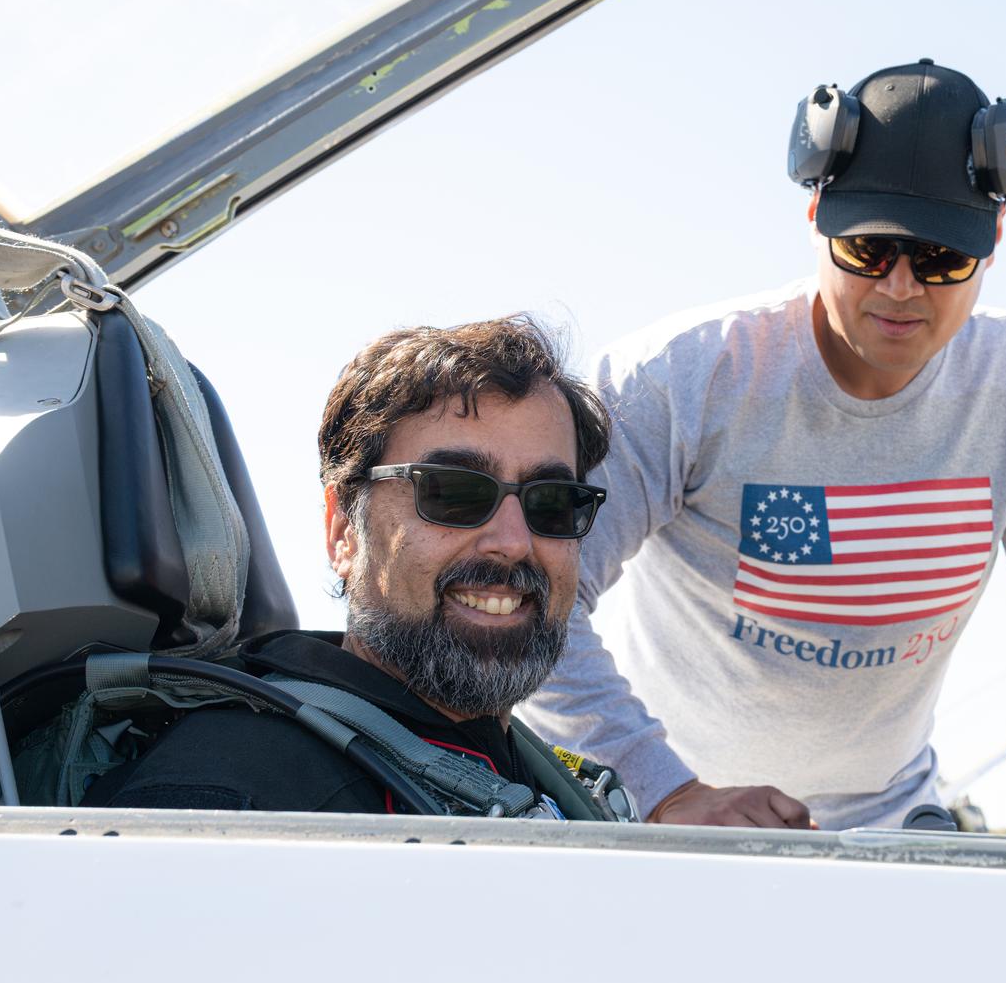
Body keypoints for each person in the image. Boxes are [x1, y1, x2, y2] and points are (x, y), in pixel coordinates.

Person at [523, 59, 1006, 846]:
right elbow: (536, 604)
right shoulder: (681, 381)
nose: (901, 288)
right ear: (817, 219)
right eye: (869, 249)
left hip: (888, 825)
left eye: (941, 259)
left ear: (994, 240)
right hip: (665, 819)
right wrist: (666, 792)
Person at [88, 316, 614, 814]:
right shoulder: (235, 799)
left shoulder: (549, 782)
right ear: (343, 531)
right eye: (454, 493)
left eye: (552, 502)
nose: (515, 542)